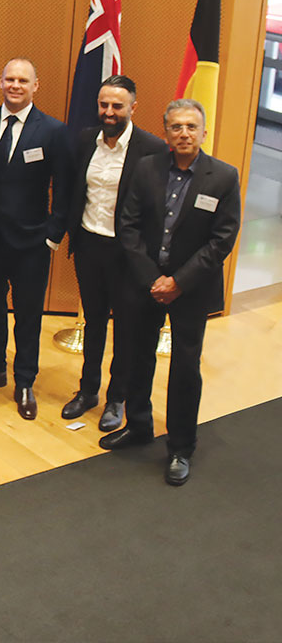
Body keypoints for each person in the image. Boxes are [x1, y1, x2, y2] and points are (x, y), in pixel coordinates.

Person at [101, 99, 240, 486]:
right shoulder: (146, 168)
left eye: (191, 127)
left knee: (184, 368)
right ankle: (138, 426)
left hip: (191, 289)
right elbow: (127, 225)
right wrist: (152, 279)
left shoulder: (224, 176)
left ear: (203, 132)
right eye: (176, 127)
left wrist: (178, 281)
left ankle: (180, 446)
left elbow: (222, 240)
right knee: (137, 357)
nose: (184, 134)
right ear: (165, 133)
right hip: (145, 283)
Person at [0, 58, 73, 420]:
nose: (15, 86)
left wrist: (53, 236)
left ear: (35, 86)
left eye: (22, 81)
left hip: (32, 243)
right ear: (0, 82)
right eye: (9, 79)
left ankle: (25, 380)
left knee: (28, 316)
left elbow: (64, 187)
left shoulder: (53, 131)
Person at [62, 75, 168, 430]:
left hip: (128, 253)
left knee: (125, 328)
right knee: (93, 322)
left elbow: (156, 209)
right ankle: (87, 390)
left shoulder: (152, 149)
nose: (109, 111)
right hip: (89, 245)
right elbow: (75, 189)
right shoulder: (85, 140)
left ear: (133, 107)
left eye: (117, 106)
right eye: (104, 104)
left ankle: (116, 398)